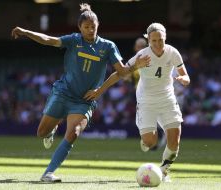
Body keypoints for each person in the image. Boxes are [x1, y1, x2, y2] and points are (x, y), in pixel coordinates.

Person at [11, 3, 150, 183]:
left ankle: (48, 173)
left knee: (74, 132)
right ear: (80, 27)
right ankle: (52, 130)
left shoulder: (108, 47)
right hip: (63, 93)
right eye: (86, 27)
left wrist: (135, 66)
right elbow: (49, 40)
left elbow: (121, 72)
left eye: (93, 26)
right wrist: (26, 32)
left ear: (98, 25)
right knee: (41, 133)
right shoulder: (73, 40)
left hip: (84, 100)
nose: (90, 30)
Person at [84, 23, 190, 182]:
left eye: (160, 40)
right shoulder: (142, 55)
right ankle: (145, 136)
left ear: (165, 38)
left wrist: (184, 79)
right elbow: (119, 73)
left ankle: (163, 171)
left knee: (175, 140)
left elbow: (185, 75)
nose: (158, 44)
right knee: (150, 142)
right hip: (146, 101)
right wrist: (99, 90)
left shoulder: (173, 53)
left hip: (168, 99)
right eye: (154, 40)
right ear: (149, 41)